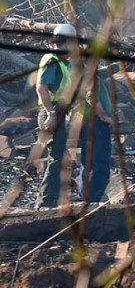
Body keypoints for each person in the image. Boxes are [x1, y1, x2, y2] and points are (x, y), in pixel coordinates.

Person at [35, 23, 75, 208]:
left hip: (57, 112)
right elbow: (41, 89)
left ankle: (54, 198)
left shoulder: (61, 61)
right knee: (57, 157)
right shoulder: (52, 60)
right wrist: (51, 113)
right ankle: (45, 202)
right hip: (51, 112)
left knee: (60, 156)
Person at [78, 60, 115, 204]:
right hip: (97, 124)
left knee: (87, 161)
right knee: (100, 163)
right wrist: (105, 117)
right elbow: (92, 98)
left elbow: (109, 70)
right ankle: (94, 199)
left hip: (86, 123)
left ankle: (84, 196)